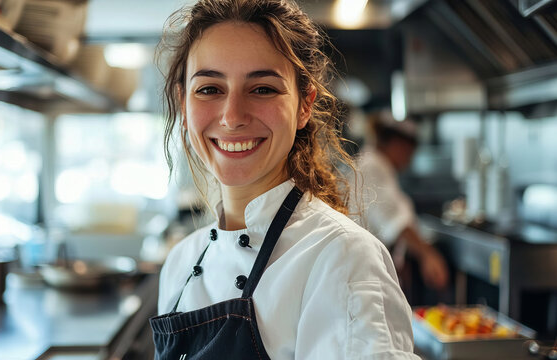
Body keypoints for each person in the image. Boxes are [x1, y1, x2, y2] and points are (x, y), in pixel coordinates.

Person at [150, 1, 419, 359]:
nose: (232, 117)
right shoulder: (181, 263)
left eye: (262, 89)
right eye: (209, 89)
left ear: (304, 105)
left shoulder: (343, 259)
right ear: (184, 105)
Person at [352, 111, 449, 294]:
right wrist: (428, 255)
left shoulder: (375, 164)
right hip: (360, 272)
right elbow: (394, 220)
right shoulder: (372, 167)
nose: (409, 161)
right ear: (398, 145)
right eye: (410, 153)